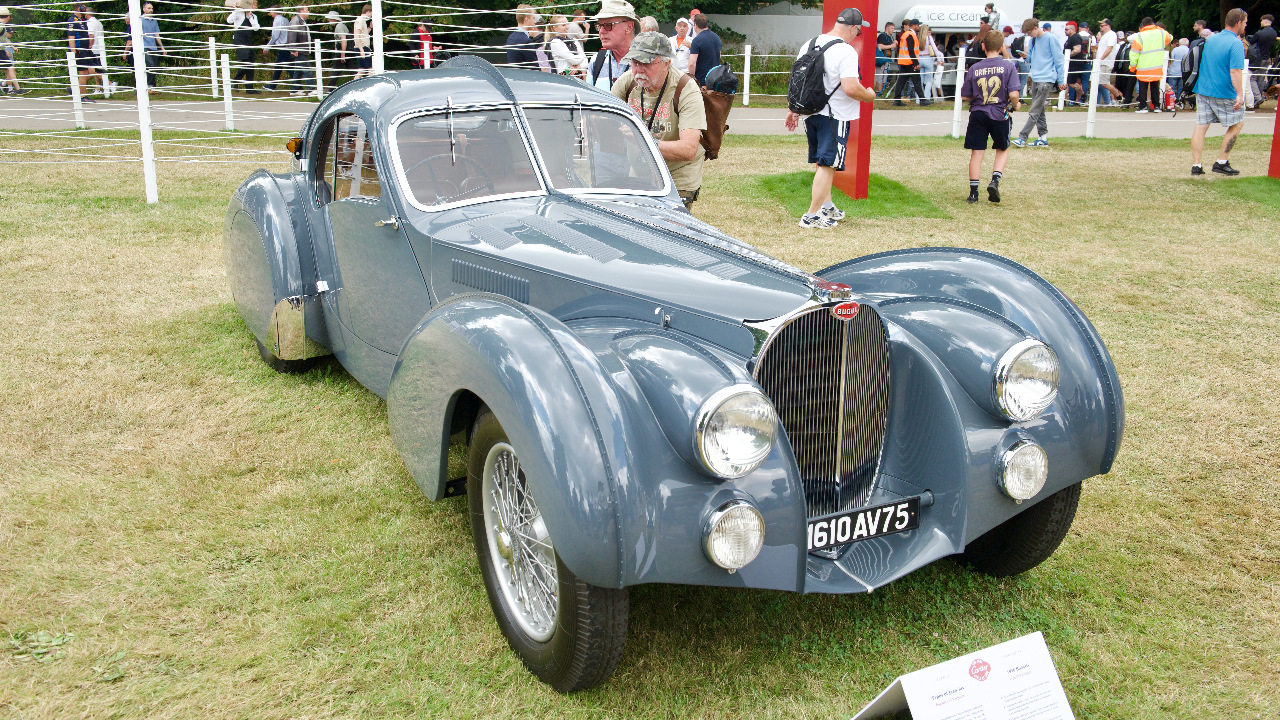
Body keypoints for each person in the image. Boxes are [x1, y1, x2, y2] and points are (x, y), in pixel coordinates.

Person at [783, 7, 875, 229]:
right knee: (828, 163)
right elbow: (851, 87)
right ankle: (812, 215)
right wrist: (869, 95)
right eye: (859, 31)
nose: (857, 35)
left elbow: (799, 79)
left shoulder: (810, 43)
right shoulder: (846, 51)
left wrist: (792, 109)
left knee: (822, 161)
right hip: (835, 115)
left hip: (810, 112)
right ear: (853, 28)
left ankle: (827, 206)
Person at [610, 31, 706, 207]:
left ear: (666, 63)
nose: (639, 70)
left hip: (678, 178)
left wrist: (641, 138)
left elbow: (688, 150)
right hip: (640, 174)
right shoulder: (628, 82)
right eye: (634, 62)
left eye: (646, 63)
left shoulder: (686, 89)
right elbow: (602, 118)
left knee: (671, 229)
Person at [962, 29, 1019, 203]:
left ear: (984, 46)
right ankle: (995, 180)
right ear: (1002, 47)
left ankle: (973, 193)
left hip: (978, 113)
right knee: (1002, 148)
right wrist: (1015, 105)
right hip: (999, 113)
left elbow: (965, 95)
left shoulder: (974, 67)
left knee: (977, 153)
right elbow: (1014, 93)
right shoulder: (1008, 66)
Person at [1191, 8, 1248, 176]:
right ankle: (1221, 161)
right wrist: (1239, 94)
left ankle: (1197, 165)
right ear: (1238, 22)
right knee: (1237, 123)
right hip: (1223, 91)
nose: (1245, 25)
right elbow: (1235, 71)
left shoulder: (1211, 39)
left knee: (1201, 126)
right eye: (1245, 22)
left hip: (1203, 89)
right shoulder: (1236, 43)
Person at [1011, 17, 1064, 148]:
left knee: (1034, 110)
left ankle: (1022, 137)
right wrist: (1025, 56)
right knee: (1039, 110)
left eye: (1029, 32)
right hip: (1036, 77)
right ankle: (1043, 137)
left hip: (1046, 79)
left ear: (1036, 28)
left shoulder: (1051, 39)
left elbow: (1059, 60)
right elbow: (1031, 59)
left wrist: (1061, 80)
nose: (1029, 35)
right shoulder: (1034, 40)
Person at [589, 0, 637, 91]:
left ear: (629, 27)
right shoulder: (596, 61)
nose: (601, 31)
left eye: (608, 25)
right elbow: (589, 100)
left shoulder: (648, 62)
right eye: (599, 25)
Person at [1129, 17, 1172, 112]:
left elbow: (1134, 53)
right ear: (1153, 24)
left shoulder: (1140, 36)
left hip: (1143, 66)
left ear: (1143, 25)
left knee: (1143, 88)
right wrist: (1159, 28)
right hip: (1157, 65)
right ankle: (1156, 106)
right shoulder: (1161, 33)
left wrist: (1132, 67)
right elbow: (1170, 38)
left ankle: (1143, 106)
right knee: (1155, 87)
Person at [892, 18, 930, 105]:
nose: (919, 27)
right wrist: (916, 63)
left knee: (901, 82)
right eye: (918, 25)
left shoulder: (906, 34)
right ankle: (922, 100)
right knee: (916, 81)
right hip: (910, 63)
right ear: (914, 25)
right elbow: (911, 51)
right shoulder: (910, 35)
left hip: (905, 62)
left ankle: (897, 100)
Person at [67, 5, 102, 100]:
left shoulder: (82, 20)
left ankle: (73, 88)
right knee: (82, 72)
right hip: (79, 51)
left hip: (85, 50)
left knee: (89, 71)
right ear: (79, 8)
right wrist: (74, 53)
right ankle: (83, 96)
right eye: (84, 7)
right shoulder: (72, 20)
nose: (85, 9)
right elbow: (71, 38)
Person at [229, 1, 260, 94]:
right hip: (239, 40)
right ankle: (235, 81)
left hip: (248, 41)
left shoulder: (254, 16)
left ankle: (249, 88)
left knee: (251, 63)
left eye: (255, 5)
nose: (255, 7)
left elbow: (256, 28)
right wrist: (235, 10)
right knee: (246, 62)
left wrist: (250, 17)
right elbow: (229, 20)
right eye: (254, 5)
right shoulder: (239, 13)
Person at [1249, 15, 1275, 107]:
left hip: (1259, 59)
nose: (1260, 22)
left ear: (1265, 21)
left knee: (1252, 78)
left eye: (1261, 20)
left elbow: (1250, 43)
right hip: (1268, 58)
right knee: (1260, 79)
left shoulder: (1259, 33)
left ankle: (1258, 98)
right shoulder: (1274, 33)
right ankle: (1258, 100)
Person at [0, 8, 28, 95]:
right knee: (10, 68)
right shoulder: (1, 26)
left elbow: (4, 38)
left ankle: (17, 89)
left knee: (10, 68)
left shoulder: (2, 25)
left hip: (1, 51)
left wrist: (12, 47)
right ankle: (16, 89)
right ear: (7, 16)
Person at [688, 13, 720, 86]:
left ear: (695, 25)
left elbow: (692, 63)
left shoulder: (697, 40)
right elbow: (719, 56)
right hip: (715, 79)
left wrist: (692, 79)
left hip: (701, 81)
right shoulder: (717, 38)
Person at [1094, 19, 1121, 106]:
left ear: (1108, 25)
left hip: (1105, 62)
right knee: (1100, 82)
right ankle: (1096, 101)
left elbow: (1109, 48)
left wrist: (1101, 59)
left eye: (1102, 26)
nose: (1100, 27)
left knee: (1105, 83)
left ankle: (1119, 97)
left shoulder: (1111, 34)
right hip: (1101, 62)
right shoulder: (1105, 35)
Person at [505, 4, 540, 70]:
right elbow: (535, 69)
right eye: (533, 18)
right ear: (526, 19)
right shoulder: (526, 42)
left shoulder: (510, 38)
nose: (535, 22)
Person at [287, 5, 312, 95]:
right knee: (307, 69)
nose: (308, 12)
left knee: (298, 71)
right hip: (300, 49)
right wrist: (293, 49)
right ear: (301, 11)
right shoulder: (296, 21)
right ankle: (311, 89)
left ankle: (294, 89)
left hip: (302, 49)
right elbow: (292, 35)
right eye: (307, 10)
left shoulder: (301, 21)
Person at [265, 7, 291, 90]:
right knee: (278, 66)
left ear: (274, 11)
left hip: (282, 45)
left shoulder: (277, 21)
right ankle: (273, 85)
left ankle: (298, 85)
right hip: (286, 45)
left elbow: (275, 36)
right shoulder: (285, 20)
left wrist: (267, 47)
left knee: (289, 67)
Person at [86, 5, 109, 96]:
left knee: (92, 69)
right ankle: (98, 88)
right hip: (100, 48)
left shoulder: (90, 23)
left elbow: (91, 35)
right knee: (98, 68)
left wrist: (89, 47)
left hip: (93, 48)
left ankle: (110, 83)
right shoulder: (99, 23)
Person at [1063, 21, 1086, 103]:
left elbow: (1077, 50)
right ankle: (1062, 100)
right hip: (1070, 63)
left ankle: (1083, 95)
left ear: (1072, 30)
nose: (1065, 31)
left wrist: (1067, 56)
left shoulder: (1076, 37)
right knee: (1067, 82)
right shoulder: (1070, 38)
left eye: (1066, 29)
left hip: (1075, 64)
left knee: (1071, 82)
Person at [329, 11, 353, 79]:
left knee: (335, 71)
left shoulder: (339, 26)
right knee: (352, 69)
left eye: (329, 19)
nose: (328, 21)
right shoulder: (343, 25)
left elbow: (343, 40)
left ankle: (330, 88)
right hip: (348, 50)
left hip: (342, 51)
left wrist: (342, 54)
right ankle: (358, 83)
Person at [920, 23, 941, 98]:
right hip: (927, 58)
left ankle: (918, 98)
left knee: (920, 80)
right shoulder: (929, 38)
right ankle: (926, 97)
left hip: (919, 58)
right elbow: (935, 48)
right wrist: (939, 59)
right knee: (929, 80)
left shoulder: (917, 38)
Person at [875, 22, 895, 92]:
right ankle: (879, 92)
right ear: (887, 28)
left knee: (884, 76)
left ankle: (880, 91)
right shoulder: (882, 36)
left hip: (886, 59)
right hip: (882, 59)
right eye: (892, 28)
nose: (893, 30)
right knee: (880, 76)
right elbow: (879, 46)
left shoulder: (889, 37)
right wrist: (891, 46)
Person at [352, 5, 371, 79]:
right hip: (363, 47)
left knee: (362, 70)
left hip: (361, 47)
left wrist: (369, 28)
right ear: (368, 12)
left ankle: (352, 86)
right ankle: (371, 86)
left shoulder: (360, 20)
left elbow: (363, 35)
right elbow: (357, 35)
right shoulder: (361, 20)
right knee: (370, 70)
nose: (371, 16)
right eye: (371, 13)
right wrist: (362, 50)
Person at [1169, 38, 1189, 102]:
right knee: (1181, 88)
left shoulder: (1175, 49)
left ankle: (1172, 101)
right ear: (1188, 44)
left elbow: (1172, 59)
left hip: (1174, 71)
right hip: (1183, 72)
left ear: (1180, 43)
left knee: (1172, 87)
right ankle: (1179, 100)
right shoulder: (1189, 50)